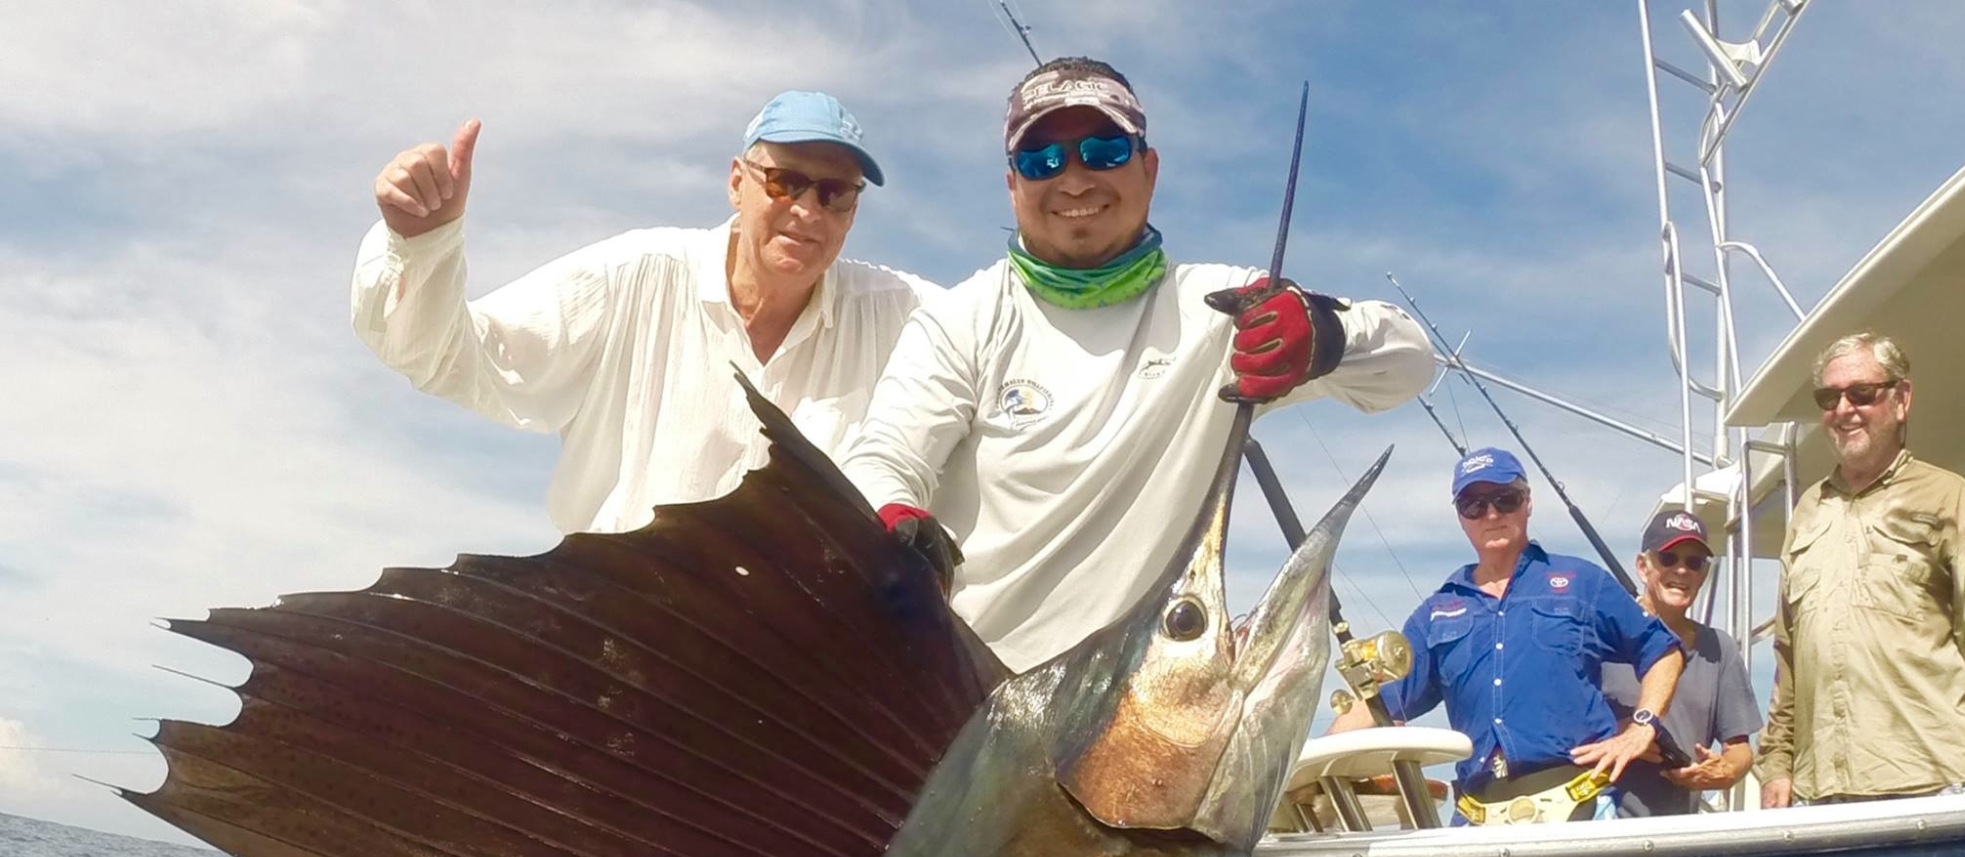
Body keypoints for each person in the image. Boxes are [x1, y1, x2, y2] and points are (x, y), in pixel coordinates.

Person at [838, 57, 1433, 671]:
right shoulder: (961, 317)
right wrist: (889, 516)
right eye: (1041, 160)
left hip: (1151, 703)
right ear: (1013, 185)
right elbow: (884, 458)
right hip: (975, 702)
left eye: (1103, 150)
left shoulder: (1224, 307)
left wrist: (1321, 336)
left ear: (1148, 169)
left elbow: (1410, 361)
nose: (1073, 181)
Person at [352, 92, 935, 534]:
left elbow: (1004, 330)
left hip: (798, 677)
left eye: (834, 193)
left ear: (853, 211)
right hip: (620, 657)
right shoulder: (634, 274)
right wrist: (422, 241)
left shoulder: (905, 315)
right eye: (786, 183)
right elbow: (448, 356)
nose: (808, 211)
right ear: (738, 183)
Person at [1346, 447, 1683, 825]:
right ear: (1460, 516)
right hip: (1476, 817)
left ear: (1528, 503)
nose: (1491, 514)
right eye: (1473, 504)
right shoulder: (1434, 613)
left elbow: (1664, 652)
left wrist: (1642, 726)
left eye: (1505, 500)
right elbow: (1376, 704)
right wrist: (1296, 767)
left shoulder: (1582, 582)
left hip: (1580, 808)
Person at [1760, 331, 1965, 807]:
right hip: (1819, 795)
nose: (1844, 409)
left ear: (1901, 399)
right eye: (1829, 397)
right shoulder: (1808, 512)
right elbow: (1788, 659)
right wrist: (1775, 765)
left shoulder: (1952, 500)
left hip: (1934, 787)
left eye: (1861, 393)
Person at [1600, 508, 1759, 817]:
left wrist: (1724, 771)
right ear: (1643, 567)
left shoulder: (1719, 648)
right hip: (1603, 824)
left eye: (1694, 562)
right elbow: (1561, 728)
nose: (1682, 570)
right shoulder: (1601, 637)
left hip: (1679, 830)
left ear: (1703, 573)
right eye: (1669, 559)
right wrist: (1624, 734)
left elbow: (1740, 748)